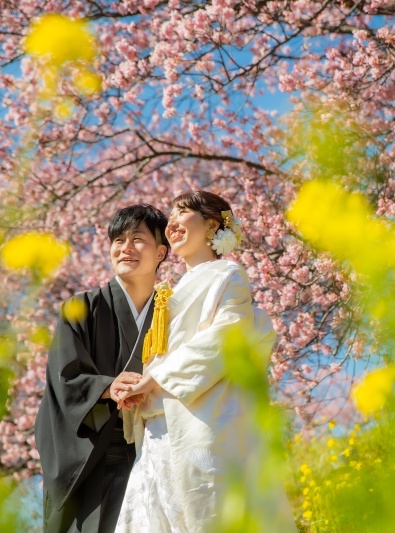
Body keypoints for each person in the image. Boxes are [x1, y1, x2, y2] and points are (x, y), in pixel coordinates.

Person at [114, 191, 296, 533]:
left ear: (212, 225)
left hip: (200, 420)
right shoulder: (168, 291)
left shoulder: (228, 275)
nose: (171, 223)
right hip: (158, 426)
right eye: (170, 217)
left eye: (182, 213)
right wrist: (141, 388)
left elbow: (224, 338)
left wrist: (153, 380)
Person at [34, 204, 169, 532]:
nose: (125, 247)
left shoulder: (172, 313)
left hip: (158, 453)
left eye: (138, 239)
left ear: (162, 252)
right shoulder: (81, 309)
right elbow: (64, 377)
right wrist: (108, 387)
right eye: (118, 239)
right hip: (97, 458)